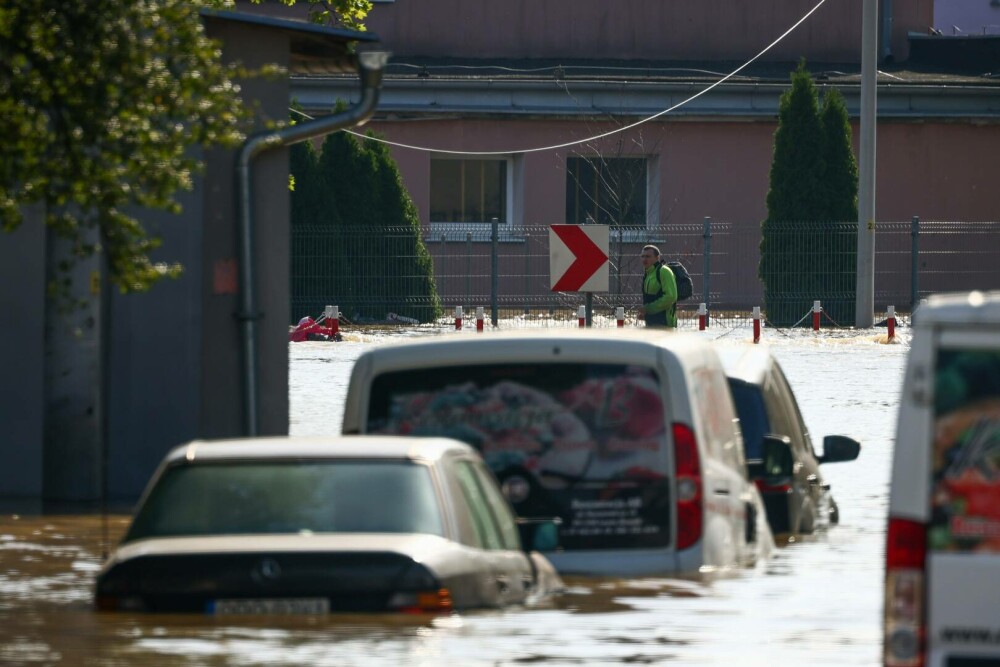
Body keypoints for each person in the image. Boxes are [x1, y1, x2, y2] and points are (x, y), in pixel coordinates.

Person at [638, 245, 678, 328]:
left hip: (665, 322)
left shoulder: (664, 271)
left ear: (657, 257)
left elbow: (671, 297)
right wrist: (645, 313)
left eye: (648, 256)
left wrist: (648, 309)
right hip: (652, 322)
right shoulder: (648, 273)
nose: (644, 259)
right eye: (642, 256)